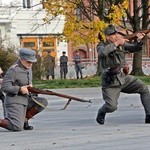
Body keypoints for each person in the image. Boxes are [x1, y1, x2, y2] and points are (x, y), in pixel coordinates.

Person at [96, 24, 150, 125]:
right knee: (111, 107)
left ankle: (149, 115)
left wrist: (138, 40)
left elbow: (134, 48)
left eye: (117, 34)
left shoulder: (121, 44)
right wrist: (117, 43)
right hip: (110, 81)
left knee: (144, 88)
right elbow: (102, 53)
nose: (116, 36)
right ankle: (101, 111)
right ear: (107, 37)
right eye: (113, 35)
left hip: (123, 77)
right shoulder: (101, 45)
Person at [0, 48, 48, 131]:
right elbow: (4, 87)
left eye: (32, 62)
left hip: (26, 99)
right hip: (15, 101)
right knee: (16, 127)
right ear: (22, 59)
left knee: (42, 102)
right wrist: (19, 89)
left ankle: (24, 120)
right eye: (29, 62)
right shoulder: (13, 70)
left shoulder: (28, 68)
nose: (30, 64)